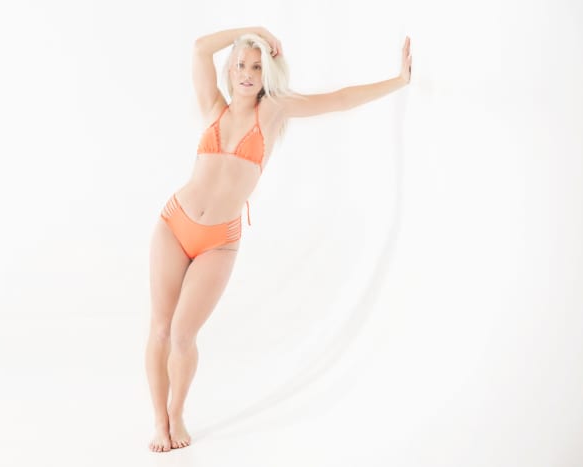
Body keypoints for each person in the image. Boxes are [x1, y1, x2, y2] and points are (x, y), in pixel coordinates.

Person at [145, 26, 412, 452]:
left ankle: (177, 413)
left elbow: (339, 99)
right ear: (230, 70)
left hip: (218, 241)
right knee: (160, 329)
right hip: (174, 225)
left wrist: (397, 81)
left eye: (256, 67)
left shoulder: (272, 111)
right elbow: (199, 49)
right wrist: (253, 31)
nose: (247, 74)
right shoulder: (213, 106)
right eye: (240, 65)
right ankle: (159, 422)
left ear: (267, 73)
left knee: (181, 334)